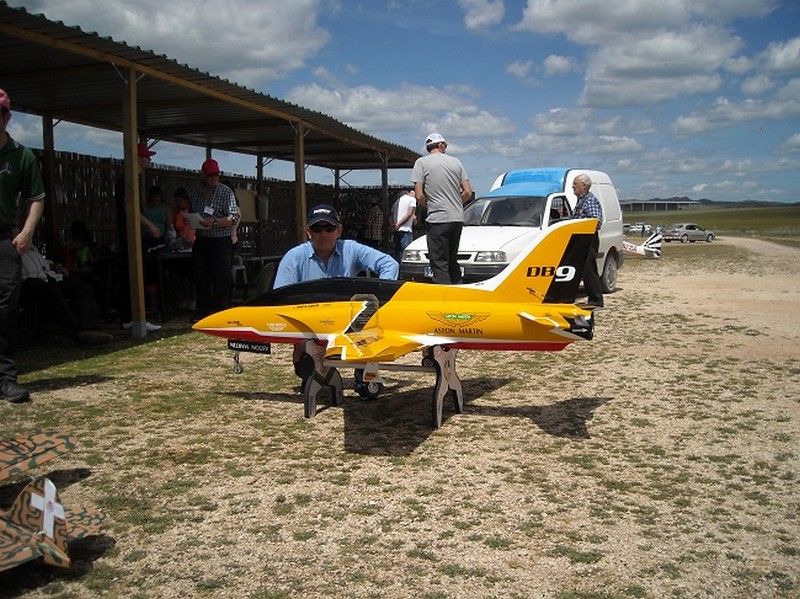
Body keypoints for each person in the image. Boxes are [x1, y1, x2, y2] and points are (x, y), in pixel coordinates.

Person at [274, 204, 398, 395]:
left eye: (329, 228)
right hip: (309, 323)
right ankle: (315, 371)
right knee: (304, 368)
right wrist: (298, 340)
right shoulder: (293, 257)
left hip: (347, 320)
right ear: (309, 232)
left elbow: (389, 264)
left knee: (366, 324)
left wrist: (379, 296)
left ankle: (365, 377)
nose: (323, 234)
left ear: (339, 231)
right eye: (317, 229)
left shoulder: (351, 249)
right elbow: (280, 299)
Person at [0, 88, 46, 402]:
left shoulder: (21, 155)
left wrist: (27, 232)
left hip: (4, 237)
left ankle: (5, 379)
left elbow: (37, 197)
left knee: (4, 308)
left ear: (6, 116)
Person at [411, 132, 472, 284]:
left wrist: (431, 205)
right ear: (441, 145)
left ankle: (444, 300)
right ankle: (458, 293)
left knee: (439, 263)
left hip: (438, 218)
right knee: (452, 260)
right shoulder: (456, 162)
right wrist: (456, 203)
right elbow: (468, 192)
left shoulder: (421, 163)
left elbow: (419, 195)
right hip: (457, 218)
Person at [21, 245, 112, 346]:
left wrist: (56, 265)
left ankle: (91, 328)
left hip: (49, 276)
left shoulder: (31, 246)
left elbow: (44, 262)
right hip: (29, 281)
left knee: (83, 288)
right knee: (53, 292)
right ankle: (76, 334)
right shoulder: (9, 248)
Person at [114, 142, 161, 332]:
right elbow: (129, 208)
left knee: (131, 276)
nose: (149, 160)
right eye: (147, 157)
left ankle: (129, 317)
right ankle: (134, 317)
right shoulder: (128, 179)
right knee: (135, 276)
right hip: (131, 236)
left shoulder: (131, 178)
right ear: (139, 159)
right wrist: (150, 225)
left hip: (130, 235)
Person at [189, 158, 239, 321]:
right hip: (202, 239)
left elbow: (232, 217)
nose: (212, 179)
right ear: (203, 175)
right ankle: (203, 309)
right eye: (209, 175)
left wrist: (215, 222)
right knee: (200, 276)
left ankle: (221, 309)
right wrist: (191, 220)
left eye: (215, 175)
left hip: (220, 240)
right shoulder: (195, 192)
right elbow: (191, 211)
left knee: (221, 276)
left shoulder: (225, 192)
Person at [571, 173, 604, 308]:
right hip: (581, 239)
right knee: (581, 269)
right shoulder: (581, 200)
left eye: (575, 184)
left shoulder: (590, 200)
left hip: (588, 239)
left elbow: (596, 221)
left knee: (589, 270)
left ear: (583, 186)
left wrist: (580, 224)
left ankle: (596, 300)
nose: (573, 186)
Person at [390, 189, 417, 262]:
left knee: (398, 253)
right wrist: (399, 224)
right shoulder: (412, 199)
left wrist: (393, 225)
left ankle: (399, 272)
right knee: (406, 254)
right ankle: (405, 272)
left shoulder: (396, 202)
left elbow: (391, 216)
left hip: (396, 230)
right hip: (406, 229)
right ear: (407, 193)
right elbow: (409, 213)